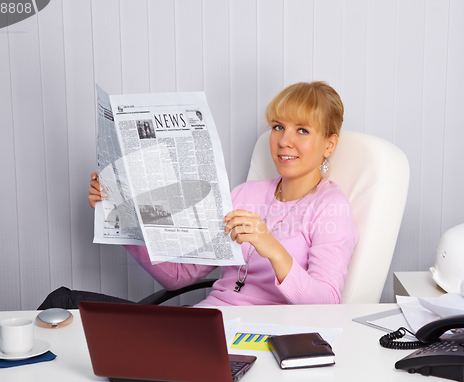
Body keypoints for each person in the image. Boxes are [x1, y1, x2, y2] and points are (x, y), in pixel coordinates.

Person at [88, 81, 358, 307]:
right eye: (278, 127)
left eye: (302, 130)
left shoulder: (330, 206)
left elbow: (328, 303)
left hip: (264, 338)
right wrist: (122, 219)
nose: (284, 140)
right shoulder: (244, 194)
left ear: (329, 144)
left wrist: (274, 250)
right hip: (209, 323)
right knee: (66, 303)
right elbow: (179, 277)